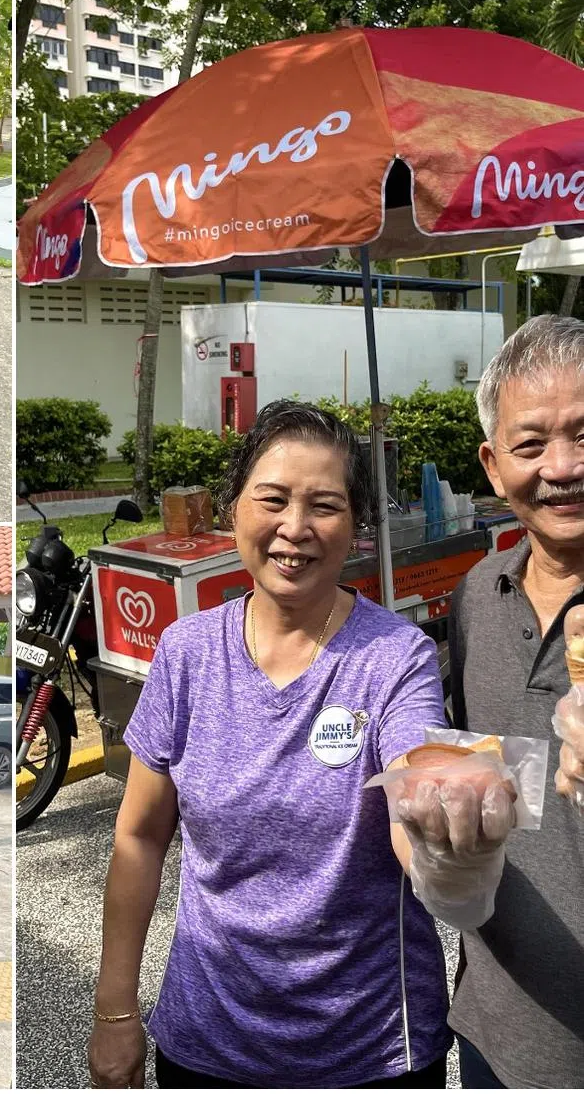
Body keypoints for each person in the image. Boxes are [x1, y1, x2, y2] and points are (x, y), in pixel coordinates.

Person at [88, 401, 457, 1089]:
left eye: (324, 505)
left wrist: (449, 814)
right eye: (273, 500)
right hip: (208, 1043)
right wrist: (115, 1012)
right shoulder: (187, 653)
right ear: (234, 510)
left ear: (356, 525)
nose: (295, 528)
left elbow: (414, 792)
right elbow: (139, 836)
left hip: (373, 1048)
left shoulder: (394, 658)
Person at [441, 313, 584, 1088]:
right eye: (531, 445)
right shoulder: (473, 596)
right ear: (494, 466)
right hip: (498, 1034)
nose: (561, 467)